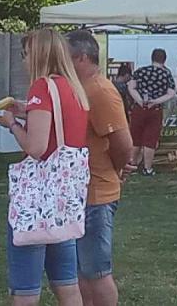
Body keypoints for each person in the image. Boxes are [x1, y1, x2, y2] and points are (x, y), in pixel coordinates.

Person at [0, 28, 91, 306]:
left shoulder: (41, 87)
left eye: (26, 54)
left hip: (36, 204)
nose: (24, 60)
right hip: (62, 201)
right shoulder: (73, 89)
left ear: (39, 55)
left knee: (25, 290)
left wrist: (12, 124)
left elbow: (36, 148)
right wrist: (28, 109)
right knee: (68, 285)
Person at [65, 30, 133, 306]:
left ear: (82, 58)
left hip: (96, 194)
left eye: (66, 58)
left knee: (97, 273)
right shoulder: (81, 89)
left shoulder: (101, 91)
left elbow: (123, 143)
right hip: (79, 191)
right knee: (81, 272)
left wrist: (117, 169)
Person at [127, 49, 176, 176]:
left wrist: (139, 100)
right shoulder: (166, 74)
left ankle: (131, 166)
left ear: (152, 57)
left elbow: (131, 87)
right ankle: (147, 168)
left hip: (139, 108)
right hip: (155, 110)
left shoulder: (140, 71)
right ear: (164, 60)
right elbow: (171, 93)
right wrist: (155, 101)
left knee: (135, 138)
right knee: (150, 140)